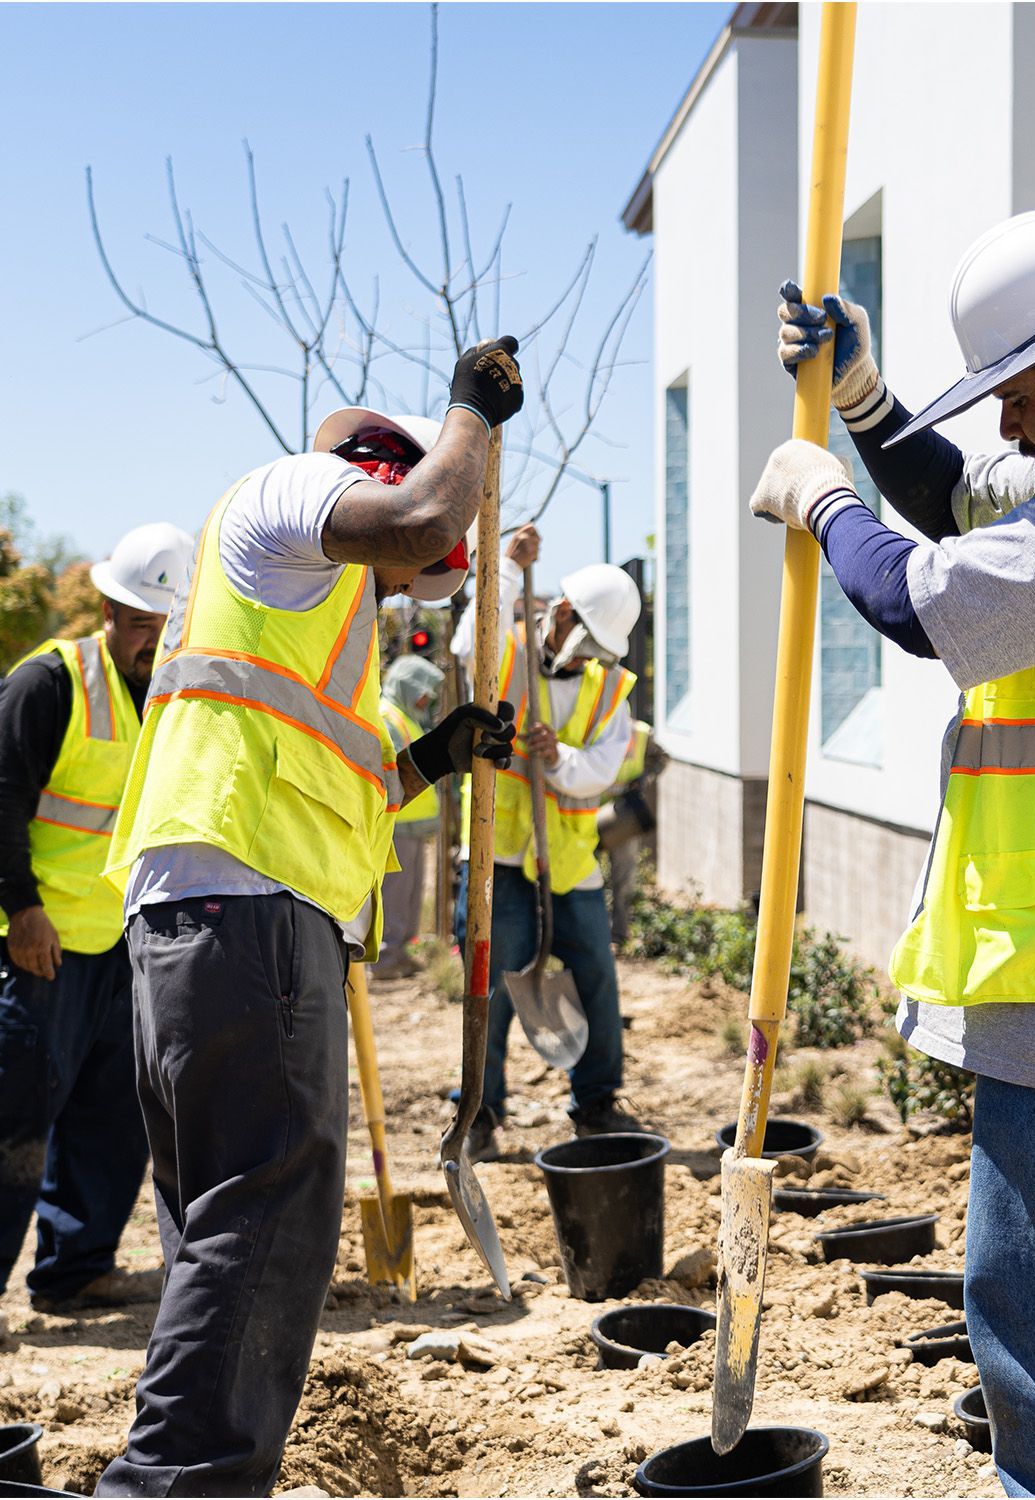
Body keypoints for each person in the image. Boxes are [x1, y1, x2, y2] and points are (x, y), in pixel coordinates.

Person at [756, 211, 1035, 1498]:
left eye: (1015, 389)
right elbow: (960, 498)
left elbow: (921, 597)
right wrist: (868, 406)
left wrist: (821, 498)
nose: (1006, 424)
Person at [95, 337, 523, 1498]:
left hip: (210, 927)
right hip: (245, 923)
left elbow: (347, 779)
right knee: (265, 1229)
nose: (414, 586)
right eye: (416, 573)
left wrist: (434, 755)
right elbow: (428, 514)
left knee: (223, 1236)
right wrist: (472, 414)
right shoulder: (287, 495)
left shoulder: (302, 600)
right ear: (372, 476)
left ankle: (181, 1475)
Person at [0, 522, 192, 1315]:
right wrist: (21, 910)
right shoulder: (48, 684)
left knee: (111, 1122)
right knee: (13, 1125)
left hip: (125, 944)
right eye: (141, 622)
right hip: (40, 946)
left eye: (164, 625)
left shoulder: (173, 694)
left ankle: (73, 1272)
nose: (151, 640)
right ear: (109, 610)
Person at [450, 522, 644, 1159]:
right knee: (491, 984)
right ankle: (477, 1112)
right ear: (559, 614)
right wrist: (506, 566)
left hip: (565, 860)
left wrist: (559, 758)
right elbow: (461, 645)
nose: (587, 660)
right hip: (498, 854)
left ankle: (596, 1103)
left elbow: (606, 764)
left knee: (596, 975)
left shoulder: (606, 687)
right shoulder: (499, 650)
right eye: (581, 643)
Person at [375, 652, 446, 978]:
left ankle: (400, 951)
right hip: (396, 823)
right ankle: (387, 958)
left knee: (409, 894)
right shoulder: (388, 717)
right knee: (396, 895)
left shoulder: (405, 716)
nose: (426, 698)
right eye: (423, 690)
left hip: (411, 825)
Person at [599, 718, 667, 950]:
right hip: (588, 813)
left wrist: (641, 779)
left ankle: (618, 933)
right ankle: (594, 932)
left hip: (623, 814)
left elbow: (661, 758)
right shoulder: (591, 722)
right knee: (587, 878)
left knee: (623, 877)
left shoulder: (640, 732)